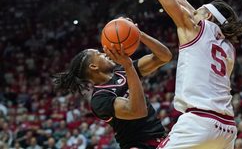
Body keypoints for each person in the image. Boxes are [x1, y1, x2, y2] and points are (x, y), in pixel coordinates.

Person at [149, 0, 242, 148]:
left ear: (209, 17)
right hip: (226, 128)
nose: (193, 11)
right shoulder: (228, 48)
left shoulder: (194, 29)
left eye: (200, 10)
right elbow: (198, 16)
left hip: (199, 123)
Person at [53, 18, 172, 149]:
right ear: (93, 66)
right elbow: (138, 111)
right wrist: (128, 66)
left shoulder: (122, 71)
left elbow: (164, 57)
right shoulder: (99, 99)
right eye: (99, 54)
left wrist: (139, 34)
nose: (105, 53)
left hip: (162, 139)